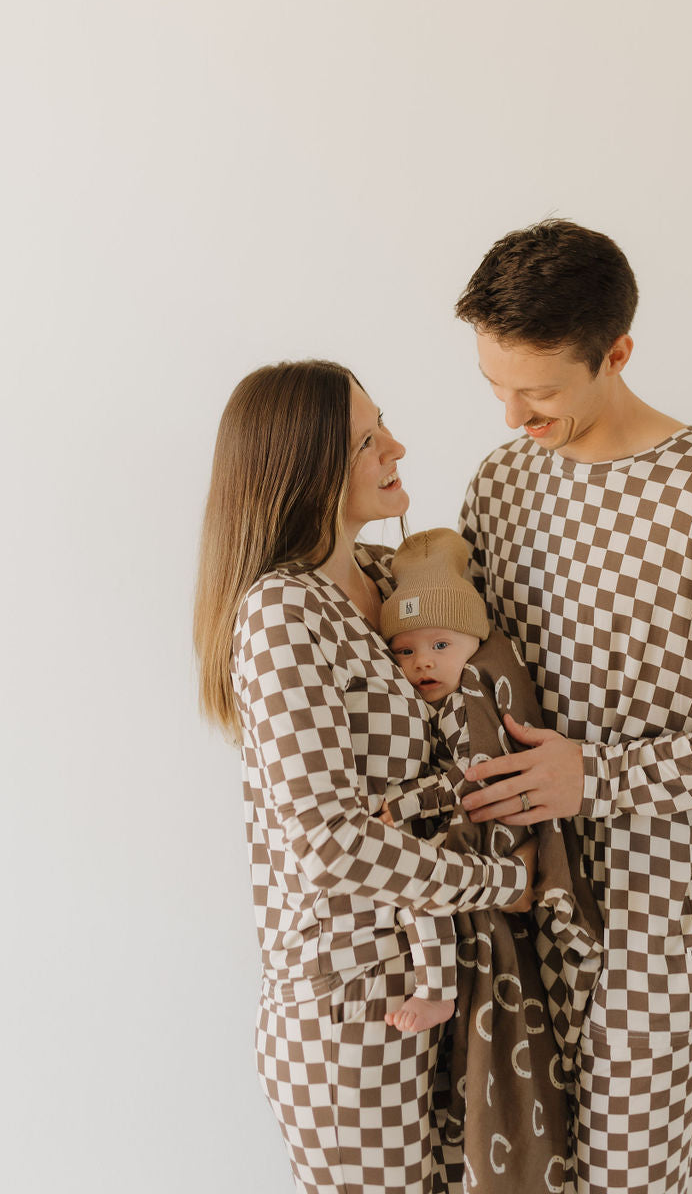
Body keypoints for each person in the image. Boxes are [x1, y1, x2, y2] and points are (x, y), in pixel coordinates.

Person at [452, 220, 692, 1194]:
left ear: (616, 353)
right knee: (518, 1167)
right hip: (509, 883)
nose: (510, 415)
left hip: (653, 893)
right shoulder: (500, 484)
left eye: (538, 391)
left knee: (636, 1168)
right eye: (493, 385)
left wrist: (599, 776)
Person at [193, 361, 536, 1194]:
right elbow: (329, 844)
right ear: (305, 467)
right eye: (368, 441)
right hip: (347, 1003)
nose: (398, 448)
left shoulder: (386, 583)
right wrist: (497, 881)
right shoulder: (281, 612)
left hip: (431, 975)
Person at [378, 526, 603, 1194]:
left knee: (422, 884)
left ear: (473, 644)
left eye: (440, 645)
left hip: (483, 843)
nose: (424, 662)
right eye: (407, 650)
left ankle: (439, 989)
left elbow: (472, 776)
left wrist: (410, 798)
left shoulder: (478, 696)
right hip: (467, 845)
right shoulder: (449, 696)